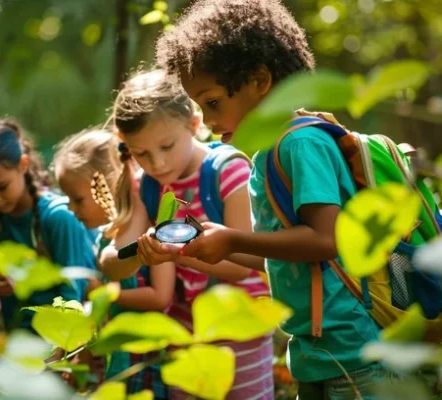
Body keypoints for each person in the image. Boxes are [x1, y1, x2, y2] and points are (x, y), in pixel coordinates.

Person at [154, 0, 395, 398]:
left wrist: (235, 239)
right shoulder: (268, 153)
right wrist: (207, 245)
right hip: (316, 353)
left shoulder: (301, 143)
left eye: (213, 102)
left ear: (259, 80)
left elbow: (324, 240)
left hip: (356, 354)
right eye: (200, 107)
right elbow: (281, 254)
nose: (209, 121)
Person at [99, 69, 273, 399]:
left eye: (166, 146)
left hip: (239, 332)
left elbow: (243, 264)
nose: (157, 163)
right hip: (182, 334)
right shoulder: (146, 185)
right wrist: (138, 252)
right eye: (141, 154)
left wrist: (175, 252)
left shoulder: (228, 170)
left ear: (194, 125)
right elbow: (112, 260)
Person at [53, 128, 173, 398]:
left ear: (107, 183)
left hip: (149, 357)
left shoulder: (148, 230)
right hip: (119, 359)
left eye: (77, 198)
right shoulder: (104, 238)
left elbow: (159, 296)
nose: (70, 207)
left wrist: (106, 295)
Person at [0, 118, 96, 331]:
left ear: (23, 165)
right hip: (18, 341)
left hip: (62, 344)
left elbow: (72, 298)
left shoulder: (59, 218)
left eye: (1, 187)